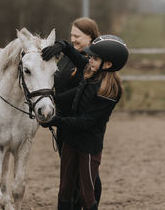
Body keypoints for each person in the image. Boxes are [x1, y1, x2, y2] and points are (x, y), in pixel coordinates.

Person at [42, 34, 129, 210]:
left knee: (86, 195)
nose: (89, 60)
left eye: (94, 58)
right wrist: (62, 46)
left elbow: (86, 122)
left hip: (89, 148)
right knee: (64, 190)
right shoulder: (91, 71)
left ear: (108, 64)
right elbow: (76, 86)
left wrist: (56, 121)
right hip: (70, 142)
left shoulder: (109, 92)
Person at [50, 17, 101, 209]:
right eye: (71, 35)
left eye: (77, 36)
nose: (73, 39)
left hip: (80, 123)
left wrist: (55, 100)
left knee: (87, 174)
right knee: (68, 171)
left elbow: (80, 88)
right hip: (63, 121)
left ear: (91, 37)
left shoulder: (92, 61)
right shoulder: (67, 58)